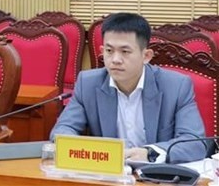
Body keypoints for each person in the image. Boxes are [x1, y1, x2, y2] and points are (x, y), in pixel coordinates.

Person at [50, 12, 206, 164]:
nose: (115, 60)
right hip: (109, 176)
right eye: (109, 51)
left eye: (125, 52)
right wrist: (94, 153)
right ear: (101, 51)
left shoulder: (176, 86)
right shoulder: (88, 84)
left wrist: (149, 153)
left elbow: (195, 144)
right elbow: (62, 131)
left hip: (156, 178)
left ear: (146, 56)